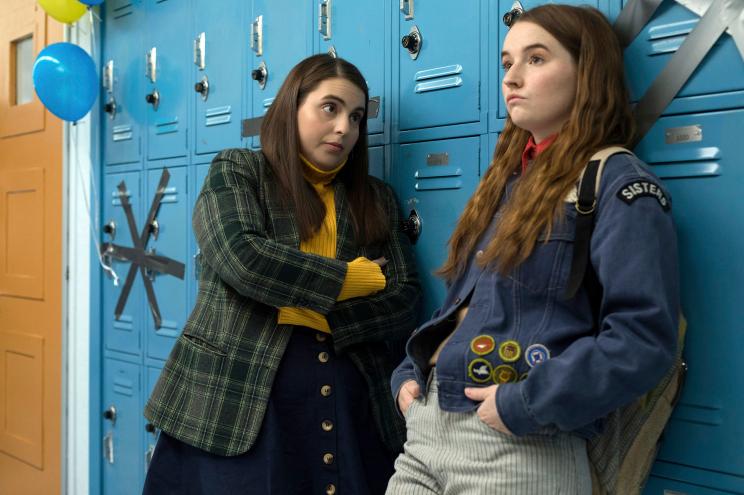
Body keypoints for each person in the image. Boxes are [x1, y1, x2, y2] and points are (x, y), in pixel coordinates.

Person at [387, 5, 680, 494]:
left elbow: (642, 338)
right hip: (427, 431)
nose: (512, 78)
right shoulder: (508, 182)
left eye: (536, 59)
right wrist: (408, 374)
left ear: (587, 74)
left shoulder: (615, 183)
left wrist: (524, 403)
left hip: (518, 446)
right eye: (506, 63)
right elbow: (466, 307)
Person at [143, 54, 420, 495]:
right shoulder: (238, 170)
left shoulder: (375, 198)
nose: (344, 128)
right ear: (292, 107)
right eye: (329, 108)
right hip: (235, 397)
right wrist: (350, 281)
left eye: (356, 116)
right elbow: (243, 259)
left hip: (349, 396)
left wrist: (323, 316)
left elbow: (406, 297)